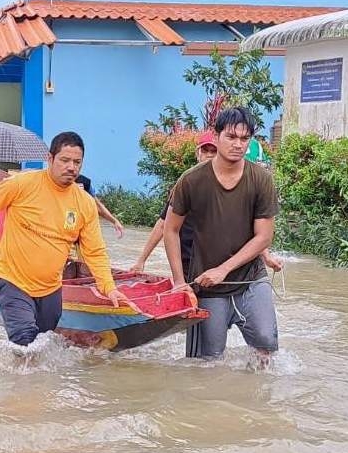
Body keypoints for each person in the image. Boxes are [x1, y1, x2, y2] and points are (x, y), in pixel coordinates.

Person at [0, 131, 128, 346]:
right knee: (25, 342)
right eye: (65, 160)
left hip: (51, 288)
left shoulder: (84, 203)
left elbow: (95, 252)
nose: (71, 167)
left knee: (43, 342)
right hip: (13, 279)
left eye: (77, 162)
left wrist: (109, 288)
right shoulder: (22, 184)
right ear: (50, 159)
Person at [163, 107, 280, 365]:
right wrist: (180, 282)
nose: (238, 144)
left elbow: (263, 237)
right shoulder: (191, 181)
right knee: (207, 363)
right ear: (216, 138)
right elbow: (169, 229)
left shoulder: (261, 180)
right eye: (231, 137)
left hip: (251, 280)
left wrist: (223, 269)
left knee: (266, 346)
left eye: (244, 138)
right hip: (205, 285)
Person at [131, 132, 285, 277]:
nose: (209, 155)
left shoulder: (235, 187)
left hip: (222, 263)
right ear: (198, 154)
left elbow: (246, 230)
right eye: (205, 151)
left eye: (214, 151)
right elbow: (163, 225)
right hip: (190, 262)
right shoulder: (188, 184)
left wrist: (266, 256)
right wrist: (141, 260)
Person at [74, 174, 126, 239]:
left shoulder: (84, 182)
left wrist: (114, 221)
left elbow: (97, 205)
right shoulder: (57, 182)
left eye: (77, 163)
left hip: (81, 231)